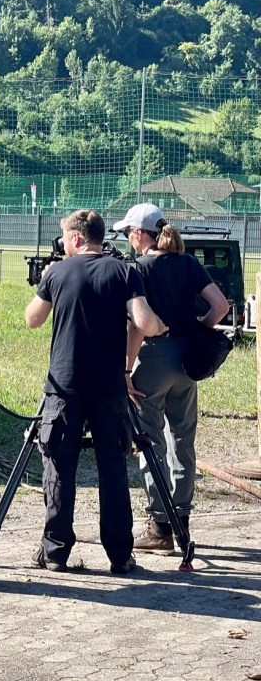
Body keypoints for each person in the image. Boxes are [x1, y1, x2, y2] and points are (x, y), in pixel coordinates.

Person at [25, 209, 166, 574]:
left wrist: (48, 281)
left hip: (64, 386)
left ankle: (54, 551)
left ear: (76, 238)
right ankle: (120, 554)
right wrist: (161, 325)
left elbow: (32, 319)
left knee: (59, 467)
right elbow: (144, 322)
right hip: (109, 387)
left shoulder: (57, 272)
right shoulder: (124, 272)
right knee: (113, 469)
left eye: (64, 238)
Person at [116, 203, 228, 553]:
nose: (127, 239)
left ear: (139, 234)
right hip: (187, 360)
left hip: (153, 357)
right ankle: (182, 519)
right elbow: (221, 306)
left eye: (128, 233)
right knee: (182, 439)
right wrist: (197, 330)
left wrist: (126, 369)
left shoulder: (139, 268)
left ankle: (160, 526)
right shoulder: (189, 263)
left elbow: (137, 326)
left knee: (150, 441)